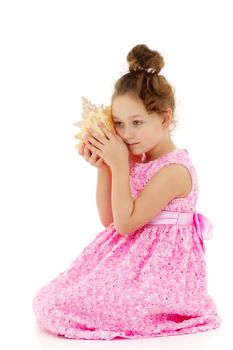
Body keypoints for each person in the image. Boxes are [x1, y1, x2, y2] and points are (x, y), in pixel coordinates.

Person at [32, 44, 222, 340]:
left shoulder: (175, 171)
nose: (127, 133)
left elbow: (126, 223)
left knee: (70, 306)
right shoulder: (141, 158)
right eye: (119, 124)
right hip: (131, 262)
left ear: (164, 119)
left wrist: (120, 164)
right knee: (54, 299)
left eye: (137, 123)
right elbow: (109, 219)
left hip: (159, 280)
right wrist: (105, 168)